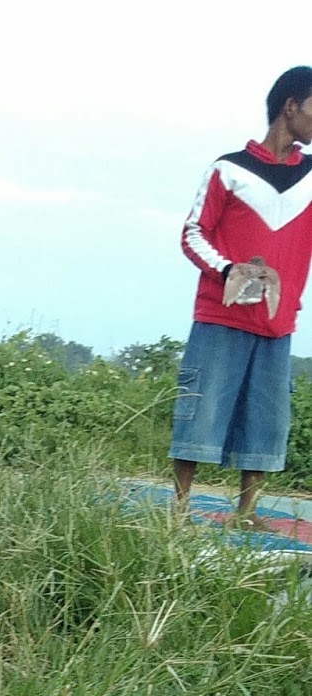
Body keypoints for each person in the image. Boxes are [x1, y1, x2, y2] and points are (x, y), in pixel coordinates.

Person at [171, 65, 312, 524]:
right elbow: (193, 233)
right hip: (221, 315)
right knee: (200, 407)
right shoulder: (228, 169)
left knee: (265, 419)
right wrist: (229, 269)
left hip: (278, 321)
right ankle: (178, 507)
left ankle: (247, 512)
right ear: (290, 107)